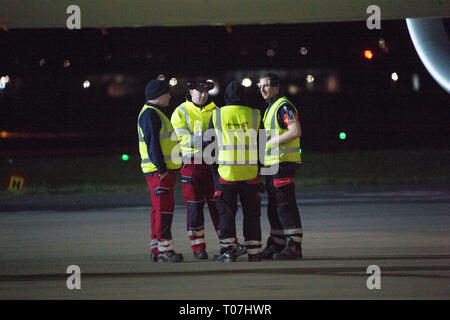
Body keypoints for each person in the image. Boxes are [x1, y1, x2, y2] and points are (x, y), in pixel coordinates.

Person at [210, 80, 263, 262]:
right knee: (252, 214)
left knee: (226, 213)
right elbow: (262, 144)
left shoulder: (217, 115)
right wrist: (261, 169)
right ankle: (254, 252)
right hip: (250, 173)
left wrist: (214, 169)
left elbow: (211, 145)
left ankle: (227, 251)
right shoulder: (255, 115)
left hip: (227, 173)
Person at [170, 80, 221, 259]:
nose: (203, 95)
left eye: (206, 92)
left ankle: (227, 243)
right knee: (194, 208)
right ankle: (198, 248)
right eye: (199, 91)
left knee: (218, 206)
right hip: (191, 164)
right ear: (191, 91)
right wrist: (207, 141)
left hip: (212, 164)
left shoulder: (216, 110)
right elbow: (183, 138)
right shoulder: (180, 111)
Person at [257, 73, 303, 260]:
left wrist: (270, 143)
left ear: (275, 86)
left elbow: (295, 131)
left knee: (285, 205)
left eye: (266, 85)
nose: (262, 90)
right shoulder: (271, 108)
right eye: (259, 86)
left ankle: (294, 245)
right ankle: (277, 243)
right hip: (272, 164)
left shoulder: (283, 106)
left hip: (283, 163)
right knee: (273, 207)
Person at [137, 79, 183, 263]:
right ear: (158, 94)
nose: (170, 96)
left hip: (157, 171)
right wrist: (161, 167)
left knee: (158, 210)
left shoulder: (153, 113)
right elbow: (152, 143)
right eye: (167, 92)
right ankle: (165, 249)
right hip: (159, 172)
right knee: (164, 210)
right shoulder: (151, 114)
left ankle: (157, 248)